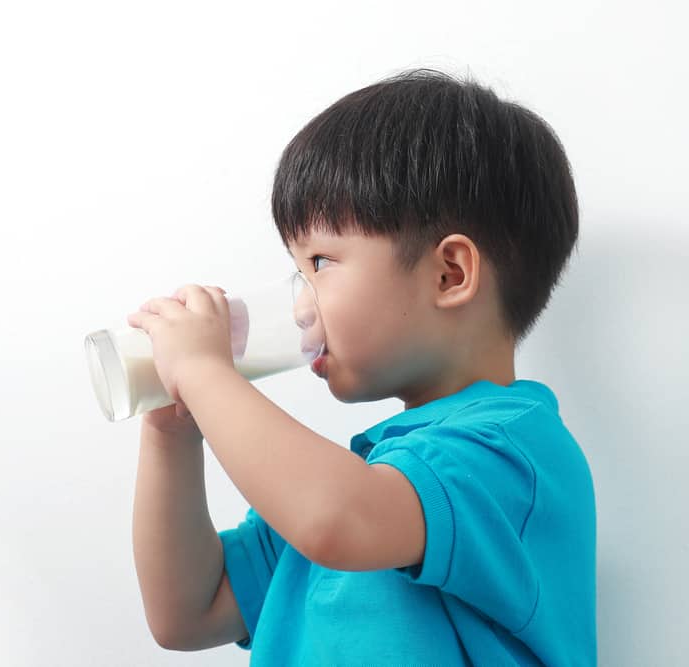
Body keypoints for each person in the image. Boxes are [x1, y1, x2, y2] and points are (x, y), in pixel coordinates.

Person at [126, 68, 595, 665]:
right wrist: (172, 432)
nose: (300, 306)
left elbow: (338, 518)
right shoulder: (358, 475)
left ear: (449, 274)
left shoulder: (510, 454)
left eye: (321, 262)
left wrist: (203, 371)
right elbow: (186, 612)